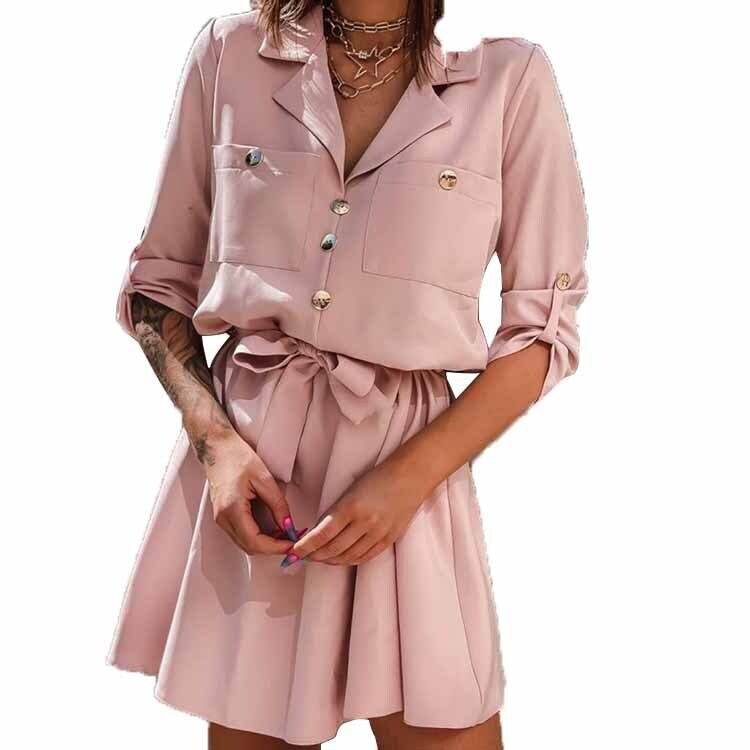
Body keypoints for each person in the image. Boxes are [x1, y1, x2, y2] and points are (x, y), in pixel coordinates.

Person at [107, 1, 588, 748]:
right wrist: (217, 446)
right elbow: (156, 286)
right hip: (257, 484)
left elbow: (541, 331)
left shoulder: (506, 76)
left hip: (409, 477)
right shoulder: (231, 52)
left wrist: (408, 480)